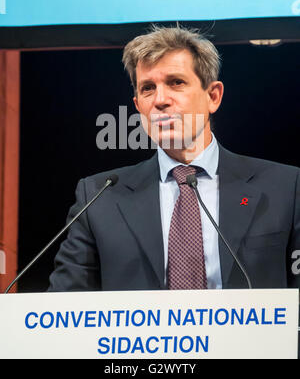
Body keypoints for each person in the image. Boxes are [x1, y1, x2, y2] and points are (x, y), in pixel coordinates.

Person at [48, 26, 300, 292]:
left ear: (213, 96)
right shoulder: (98, 198)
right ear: (138, 106)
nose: (160, 100)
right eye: (147, 88)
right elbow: (63, 306)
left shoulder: (286, 187)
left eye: (176, 83)